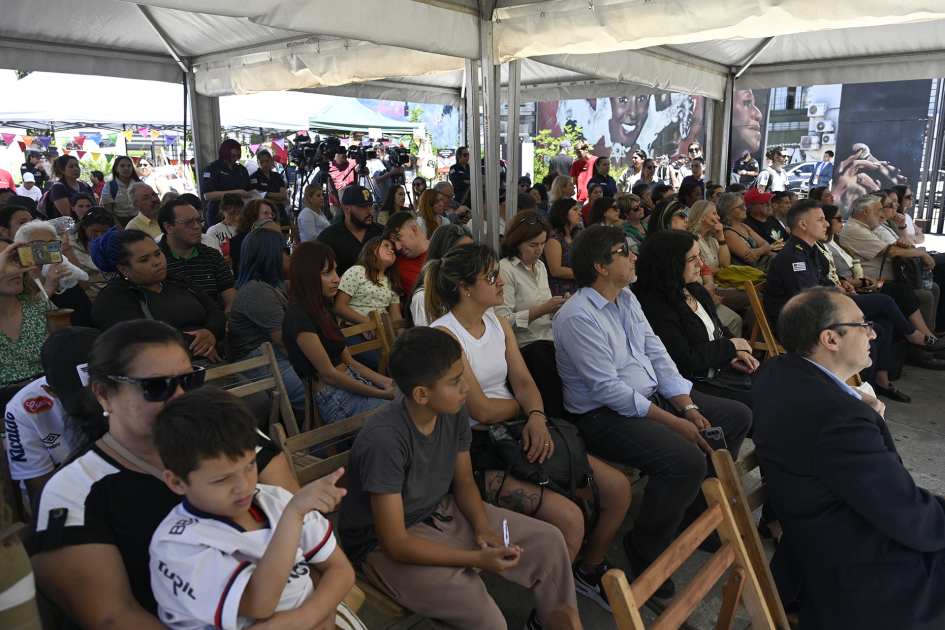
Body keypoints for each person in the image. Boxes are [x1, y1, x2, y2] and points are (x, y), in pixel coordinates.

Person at [25, 320, 299, 630]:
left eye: (189, 380)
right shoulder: (74, 491)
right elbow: (113, 616)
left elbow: (301, 528)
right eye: (157, 386)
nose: (180, 396)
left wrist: (316, 608)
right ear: (104, 394)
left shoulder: (230, 435)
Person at [426, 243, 632, 612]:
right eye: (491, 276)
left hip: (518, 429)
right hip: (475, 448)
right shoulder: (445, 335)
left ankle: (587, 569)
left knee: (616, 489)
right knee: (569, 521)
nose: (502, 280)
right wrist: (524, 411)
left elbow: (523, 382)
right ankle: (548, 614)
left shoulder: (497, 321)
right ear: (465, 287)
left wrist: (535, 417)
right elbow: (482, 411)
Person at [553, 225, 751, 598]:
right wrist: (676, 421)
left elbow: (656, 352)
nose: (632, 257)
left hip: (649, 397)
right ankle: (644, 547)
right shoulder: (578, 316)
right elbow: (609, 391)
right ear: (600, 265)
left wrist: (687, 405)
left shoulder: (626, 298)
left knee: (736, 416)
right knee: (686, 461)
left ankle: (689, 511)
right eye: (623, 251)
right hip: (602, 417)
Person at [339, 327, 579, 630]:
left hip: (438, 509)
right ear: (421, 394)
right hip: (380, 545)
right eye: (455, 381)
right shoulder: (385, 441)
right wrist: (477, 558)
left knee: (550, 542)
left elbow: (464, 482)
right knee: (487, 619)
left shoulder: (451, 410)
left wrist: (483, 529)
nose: (466, 387)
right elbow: (395, 543)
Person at [752, 287, 945, 630]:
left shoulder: (776, 372)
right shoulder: (840, 419)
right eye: (862, 325)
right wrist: (862, 418)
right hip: (860, 576)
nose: (874, 332)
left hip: (814, 542)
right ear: (830, 339)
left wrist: (857, 408)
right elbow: (908, 518)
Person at [149, 387, 362, 630]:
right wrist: (293, 515)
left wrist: (311, 615)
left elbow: (340, 569)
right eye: (222, 479)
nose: (244, 486)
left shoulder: (276, 499)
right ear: (177, 482)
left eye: (250, 465)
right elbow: (259, 603)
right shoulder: (176, 545)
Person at [634, 229, 758, 407]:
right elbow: (684, 360)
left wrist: (737, 348)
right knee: (762, 400)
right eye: (692, 259)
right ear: (670, 263)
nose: (700, 263)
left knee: (774, 379)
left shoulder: (694, 288)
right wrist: (730, 346)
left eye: (699, 256)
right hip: (695, 384)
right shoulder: (655, 306)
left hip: (719, 370)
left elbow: (717, 328)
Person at [282, 242, 393, 425]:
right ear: (307, 276)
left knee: (414, 403)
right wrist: (384, 394)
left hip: (350, 384)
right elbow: (329, 374)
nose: (337, 279)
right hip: (334, 398)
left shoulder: (322, 310)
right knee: (403, 416)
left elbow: (349, 362)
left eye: (335, 271)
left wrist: (388, 383)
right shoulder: (297, 316)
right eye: (327, 273)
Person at [90, 228, 226, 363]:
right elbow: (141, 337)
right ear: (123, 269)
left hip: (210, 359)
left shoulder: (180, 282)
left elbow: (215, 311)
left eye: (158, 253)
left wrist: (210, 332)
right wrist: (200, 344)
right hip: (161, 370)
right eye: (144, 260)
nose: (157, 261)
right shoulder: (112, 298)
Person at [4, 327, 98, 505]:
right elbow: (40, 498)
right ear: (50, 391)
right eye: (80, 400)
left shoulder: (136, 385)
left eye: (104, 393)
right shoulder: (23, 409)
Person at [496, 211, 567, 416]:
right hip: (525, 348)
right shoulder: (505, 269)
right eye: (533, 245)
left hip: (548, 340)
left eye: (543, 244)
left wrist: (560, 307)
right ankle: (554, 420)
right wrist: (544, 309)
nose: (540, 250)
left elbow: (547, 312)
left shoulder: (540, 266)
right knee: (543, 356)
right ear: (516, 242)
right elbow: (502, 323)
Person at [228, 227, 304, 409]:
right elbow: (283, 342)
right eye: (285, 250)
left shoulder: (275, 284)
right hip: (261, 363)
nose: (288, 255)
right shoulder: (257, 290)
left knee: (332, 383)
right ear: (269, 254)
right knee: (322, 389)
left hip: (277, 357)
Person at [841, 194, 939, 333]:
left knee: (932, 287)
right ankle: (923, 345)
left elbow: (897, 248)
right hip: (875, 283)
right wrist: (922, 254)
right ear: (866, 211)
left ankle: (931, 336)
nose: (882, 215)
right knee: (924, 296)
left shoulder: (869, 228)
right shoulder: (854, 229)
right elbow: (890, 252)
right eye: (880, 210)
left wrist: (902, 244)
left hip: (888, 280)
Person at [333, 237, 404, 371]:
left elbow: (395, 316)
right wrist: (370, 323)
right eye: (386, 246)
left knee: (402, 363)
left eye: (393, 249)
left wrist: (404, 341)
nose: (392, 251)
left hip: (381, 334)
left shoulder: (392, 281)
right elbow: (339, 307)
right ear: (371, 249)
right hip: (353, 331)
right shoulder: (357, 271)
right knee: (385, 366)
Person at [157, 198, 236, 310]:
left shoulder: (213, 256)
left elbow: (232, 301)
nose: (197, 226)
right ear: (168, 227)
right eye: (188, 222)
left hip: (215, 323)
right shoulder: (155, 261)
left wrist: (220, 323)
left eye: (199, 220)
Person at [14, 220, 95, 328]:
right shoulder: (18, 280)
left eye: (52, 243)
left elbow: (84, 287)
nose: (46, 248)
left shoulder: (61, 273)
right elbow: (27, 316)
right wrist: (49, 287)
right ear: (22, 249)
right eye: (39, 243)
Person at [0, 239, 46, 406]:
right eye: (3, 261)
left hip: (47, 402)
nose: (13, 269)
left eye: (15, 260)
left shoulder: (41, 307)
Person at [409, 224, 472, 327]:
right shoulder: (424, 295)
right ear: (443, 254)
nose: (470, 258)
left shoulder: (473, 286)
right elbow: (429, 339)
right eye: (462, 252)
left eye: (471, 251)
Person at [317, 185, 384, 278]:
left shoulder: (381, 232)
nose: (370, 211)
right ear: (346, 209)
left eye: (371, 205)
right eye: (363, 206)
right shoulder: (329, 237)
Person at [201, 139, 252, 227]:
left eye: (237, 156)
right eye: (232, 156)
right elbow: (208, 195)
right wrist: (234, 192)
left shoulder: (241, 169)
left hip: (239, 212)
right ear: (224, 153)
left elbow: (249, 190)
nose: (235, 159)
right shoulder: (213, 169)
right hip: (218, 212)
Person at [718, 191, 772, 271]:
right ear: (729, 212)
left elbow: (767, 246)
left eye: (744, 205)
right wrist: (764, 251)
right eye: (741, 206)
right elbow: (750, 258)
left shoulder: (744, 226)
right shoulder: (727, 232)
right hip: (750, 273)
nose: (745, 208)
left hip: (763, 268)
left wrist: (759, 251)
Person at [383, 210, 429, 296]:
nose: (397, 248)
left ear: (414, 230)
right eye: (393, 243)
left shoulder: (444, 248)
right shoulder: (397, 266)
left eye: (399, 238)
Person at [70, 207, 112, 299]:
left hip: (114, 294)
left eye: (105, 231)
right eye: (95, 231)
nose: (100, 236)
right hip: (85, 297)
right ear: (84, 226)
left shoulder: (116, 243)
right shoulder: (70, 246)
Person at [228, 198, 278, 274]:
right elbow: (242, 271)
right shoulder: (238, 241)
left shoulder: (275, 238)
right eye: (266, 213)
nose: (271, 216)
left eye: (272, 214)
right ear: (252, 215)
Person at [545, 197, 582, 298]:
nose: (580, 213)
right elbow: (556, 270)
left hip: (577, 290)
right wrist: (586, 273)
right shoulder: (553, 238)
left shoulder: (575, 236)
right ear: (564, 213)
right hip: (560, 295)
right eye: (575, 209)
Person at [46, 155, 94, 219]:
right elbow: (67, 215)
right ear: (62, 170)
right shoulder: (58, 187)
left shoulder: (85, 186)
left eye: (77, 166)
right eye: (71, 167)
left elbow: (94, 208)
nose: (76, 169)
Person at [100, 156, 142, 226]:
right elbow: (109, 210)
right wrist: (119, 227)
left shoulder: (140, 184)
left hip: (139, 221)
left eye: (129, 166)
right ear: (116, 169)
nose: (126, 168)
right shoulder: (110, 185)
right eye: (122, 166)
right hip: (118, 222)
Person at [249, 149, 288, 223]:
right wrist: (280, 200)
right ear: (258, 162)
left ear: (271, 160)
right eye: (262, 162)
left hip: (280, 213)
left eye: (267, 161)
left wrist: (267, 194)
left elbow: (284, 196)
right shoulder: (254, 178)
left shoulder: (277, 176)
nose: (264, 164)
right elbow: (259, 200)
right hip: (264, 214)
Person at [327, 146, 358, 215]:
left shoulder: (351, 162)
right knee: (337, 222)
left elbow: (358, 168)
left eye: (346, 155)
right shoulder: (329, 165)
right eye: (343, 156)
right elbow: (325, 180)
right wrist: (330, 190)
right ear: (336, 155)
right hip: (335, 203)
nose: (346, 157)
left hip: (350, 201)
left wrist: (362, 169)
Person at [569, 140, 596, 205]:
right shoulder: (575, 164)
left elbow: (597, 182)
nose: (578, 154)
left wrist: (589, 199)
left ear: (586, 150)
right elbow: (574, 182)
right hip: (579, 199)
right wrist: (574, 198)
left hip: (592, 199)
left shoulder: (595, 161)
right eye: (576, 152)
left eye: (579, 152)